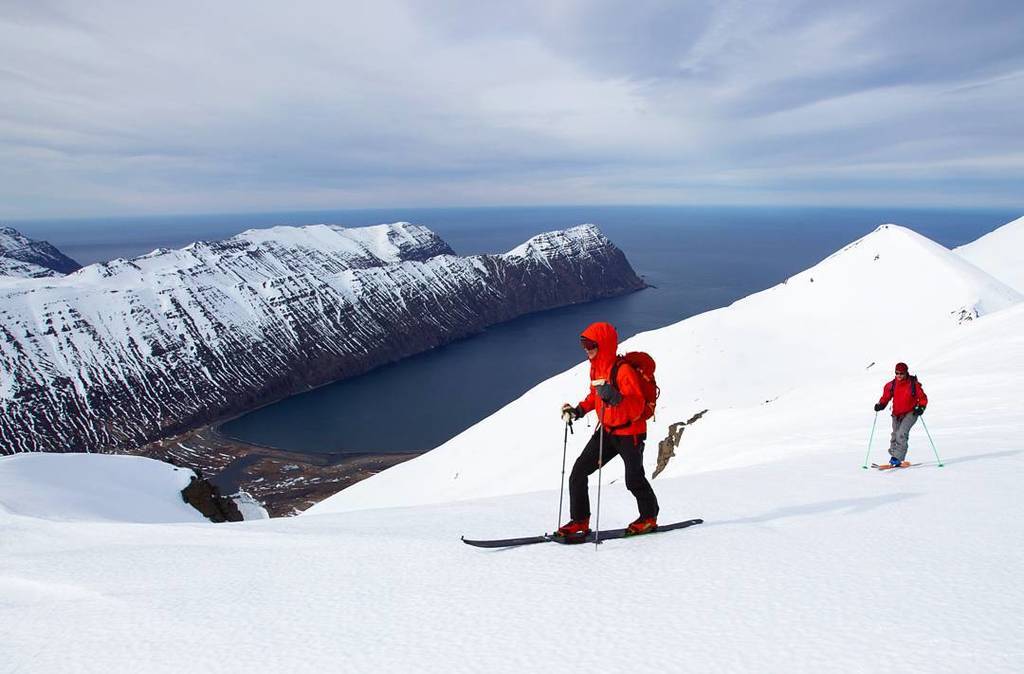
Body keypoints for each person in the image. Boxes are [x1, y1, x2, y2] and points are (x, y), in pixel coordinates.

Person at [558, 321, 659, 537]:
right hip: (608, 432)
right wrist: (578, 411)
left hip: (630, 433)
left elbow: (637, 406)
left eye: (591, 345)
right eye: (584, 345)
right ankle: (580, 521)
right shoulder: (596, 368)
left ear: (603, 345)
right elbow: (595, 396)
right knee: (578, 473)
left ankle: (649, 517)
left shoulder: (623, 372)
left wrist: (616, 398)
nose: (587, 350)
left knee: (633, 479)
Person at [874, 362, 928, 467]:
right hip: (897, 414)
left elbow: (923, 398)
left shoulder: (913, 384)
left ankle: (897, 458)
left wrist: (921, 407)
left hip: (911, 412)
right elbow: (885, 397)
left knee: (901, 433)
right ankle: (894, 456)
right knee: (895, 434)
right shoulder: (891, 385)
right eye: (897, 373)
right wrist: (881, 405)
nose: (899, 375)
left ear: (906, 372)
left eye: (901, 373)